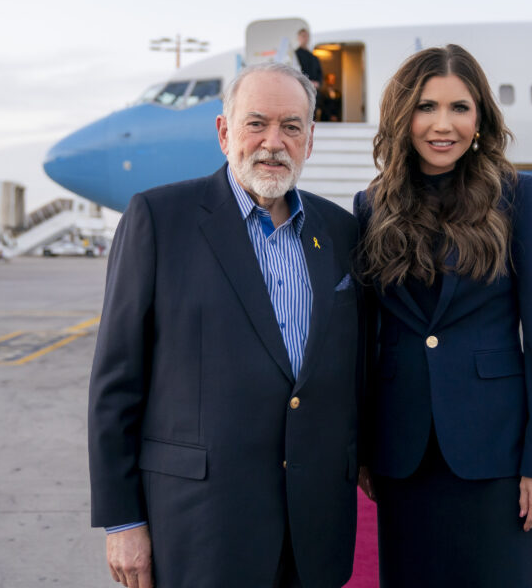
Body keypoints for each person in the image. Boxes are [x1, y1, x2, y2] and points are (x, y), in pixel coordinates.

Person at [89, 62, 362, 588]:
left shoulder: (342, 231)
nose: (273, 142)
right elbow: (115, 383)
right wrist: (123, 521)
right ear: (224, 133)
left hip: (315, 528)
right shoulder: (159, 219)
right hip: (201, 526)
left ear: (311, 139)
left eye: (291, 126)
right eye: (256, 123)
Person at [353, 44, 532, 587]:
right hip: (402, 454)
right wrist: (361, 447)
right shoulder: (372, 205)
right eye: (426, 107)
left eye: (459, 107)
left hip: (494, 454)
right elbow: (367, 338)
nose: (442, 124)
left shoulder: (516, 196)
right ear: (403, 116)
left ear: (480, 118)